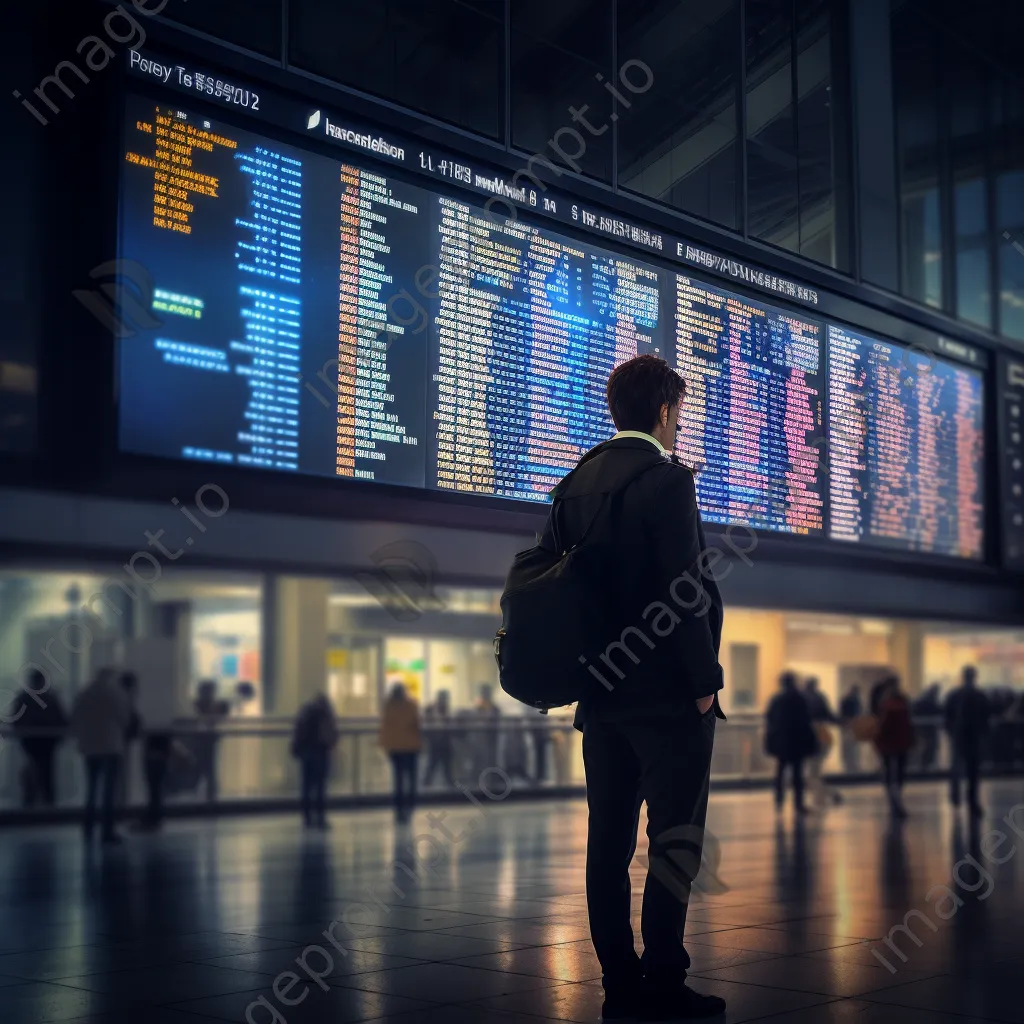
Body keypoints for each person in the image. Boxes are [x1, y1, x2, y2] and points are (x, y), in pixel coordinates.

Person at [537, 355, 725, 1021]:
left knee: (607, 844)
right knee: (673, 841)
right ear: (666, 412)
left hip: (602, 697)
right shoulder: (666, 481)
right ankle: (665, 983)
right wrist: (705, 685)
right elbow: (685, 591)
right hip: (670, 698)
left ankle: (621, 984)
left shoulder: (574, 482)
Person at [70, 667, 133, 844]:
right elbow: (124, 719)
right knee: (109, 792)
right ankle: (107, 831)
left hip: (89, 747)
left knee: (91, 789)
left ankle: (88, 826)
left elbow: (74, 717)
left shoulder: (84, 694)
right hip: (111, 746)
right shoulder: (117, 694)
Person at [10, 670, 66, 808]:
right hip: (46, 742)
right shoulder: (50, 698)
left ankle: (32, 802)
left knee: (36, 771)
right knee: (45, 772)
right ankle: (46, 803)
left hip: (33, 742)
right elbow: (62, 719)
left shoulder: (24, 698)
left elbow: (16, 720)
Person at [765, 672, 817, 814]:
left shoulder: (776, 700)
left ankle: (779, 799)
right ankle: (798, 803)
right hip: (797, 744)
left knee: (780, 772)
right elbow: (807, 722)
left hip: (782, 744)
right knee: (797, 775)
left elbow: (770, 720)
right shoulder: (800, 699)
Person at [943, 666, 992, 817]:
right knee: (973, 772)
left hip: (960, 737)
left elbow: (947, 715)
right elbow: (986, 716)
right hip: (973, 737)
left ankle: (956, 796)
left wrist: (951, 731)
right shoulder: (979, 695)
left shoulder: (955, 695)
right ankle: (972, 801)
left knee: (958, 769)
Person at [291, 693, 339, 829]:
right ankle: (320, 816)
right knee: (320, 787)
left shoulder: (305, 712)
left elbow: (298, 733)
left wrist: (297, 749)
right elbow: (333, 734)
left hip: (307, 754)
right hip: (322, 754)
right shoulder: (326, 713)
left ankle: (306, 817)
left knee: (306, 786)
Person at [379, 684, 421, 823]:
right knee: (411, 778)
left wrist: (386, 746)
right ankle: (410, 805)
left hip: (396, 748)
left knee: (398, 780)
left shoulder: (389, 707)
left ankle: (399, 808)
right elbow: (417, 724)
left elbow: (386, 728)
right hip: (411, 747)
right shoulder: (411, 705)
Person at [875, 676, 915, 819]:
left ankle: (894, 800)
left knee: (889, 772)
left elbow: (883, 725)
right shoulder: (903, 702)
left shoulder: (885, 703)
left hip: (887, 743)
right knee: (899, 773)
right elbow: (909, 723)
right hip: (902, 742)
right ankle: (897, 799)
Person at [803, 677, 842, 808]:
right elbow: (830, 716)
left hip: (811, 737)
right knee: (814, 772)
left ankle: (829, 794)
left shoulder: (803, 699)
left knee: (812, 774)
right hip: (824, 735)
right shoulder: (820, 697)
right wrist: (843, 722)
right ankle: (827, 795)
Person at [193, 680, 229, 803]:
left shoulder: (207, 705)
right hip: (203, 742)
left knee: (208, 771)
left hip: (207, 741)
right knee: (206, 770)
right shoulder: (201, 706)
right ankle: (209, 797)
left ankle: (210, 797)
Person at [423, 690, 454, 787]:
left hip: (443, 741)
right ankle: (427, 782)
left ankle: (449, 782)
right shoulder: (431, 709)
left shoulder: (445, 709)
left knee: (445, 764)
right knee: (433, 763)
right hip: (436, 741)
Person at [912, 684, 943, 771]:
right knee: (929, 746)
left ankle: (925, 763)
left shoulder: (921, 701)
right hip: (928, 729)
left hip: (923, 729)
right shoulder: (931, 702)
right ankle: (926, 763)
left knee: (926, 746)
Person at [838, 684, 862, 773]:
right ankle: (853, 765)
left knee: (848, 746)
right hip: (852, 724)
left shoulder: (845, 699)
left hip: (846, 724)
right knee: (853, 747)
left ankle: (849, 765)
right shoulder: (855, 700)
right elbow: (858, 713)